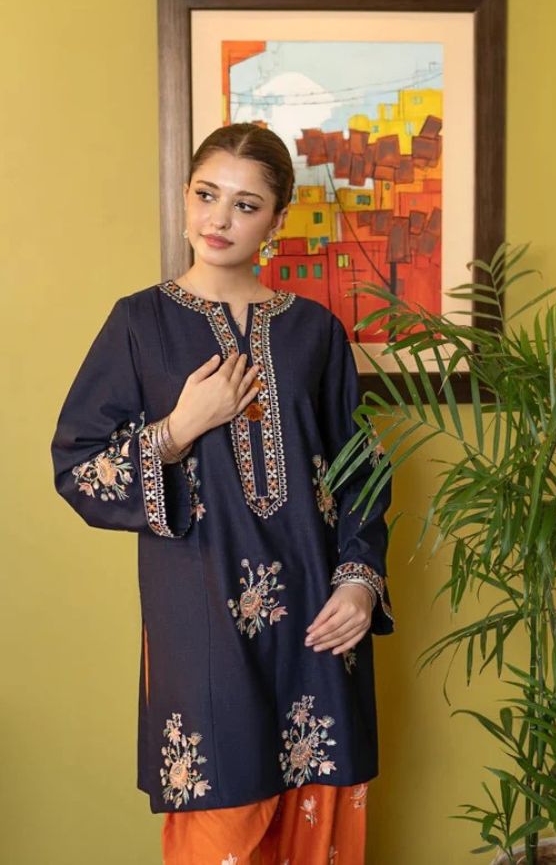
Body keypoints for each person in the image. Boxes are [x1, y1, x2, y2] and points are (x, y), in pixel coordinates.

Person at [51, 122, 394, 864]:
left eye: (246, 205)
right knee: (221, 828)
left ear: (275, 220)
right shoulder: (138, 325)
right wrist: (178, 427)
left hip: (318, 623)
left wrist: (362, 583)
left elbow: (360, 471)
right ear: (184, 197)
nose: (219, 219)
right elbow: (77, 470)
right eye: (208, 195)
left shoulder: (316, 334)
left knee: (319, 828)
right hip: (199, 621)